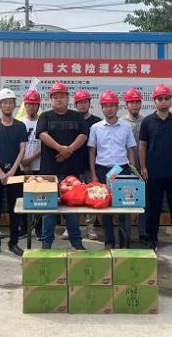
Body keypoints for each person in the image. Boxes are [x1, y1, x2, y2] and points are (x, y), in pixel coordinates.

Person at [139, 84, 172, 256]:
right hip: (154, 173)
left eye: (166, 98)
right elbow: (142, 146)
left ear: (171, 101)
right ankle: (151, 240)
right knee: (153, 209)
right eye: (160, 98)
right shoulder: (147, 122)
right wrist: (143, 167)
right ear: (154, 101)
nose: (163, 101)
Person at [37, 82, 88, 250]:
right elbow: (42, 135)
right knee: (49, 210)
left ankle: (77, 243)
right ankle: (46, 244)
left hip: (71, 173)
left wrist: (69, 150)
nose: (59, 99)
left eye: (62, 96)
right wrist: (60, 149)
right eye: (55, 97)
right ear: (51, 99)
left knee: (72, 211)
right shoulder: (45, 116)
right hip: (49, 173)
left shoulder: (77, 116)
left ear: (68, 98)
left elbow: (83, 135)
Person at [89, 91, 136, 249]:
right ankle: (109, 241)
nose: (108, 109)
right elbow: (92, 151)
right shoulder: (96, 128)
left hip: (122, 170)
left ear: (117, 107)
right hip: (102, 170)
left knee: (124, 208)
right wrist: (93, 174)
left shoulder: (126, 127)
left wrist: (133, 172)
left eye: (111, 105)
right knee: (105, 208)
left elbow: (130, 149)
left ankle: (124, 242)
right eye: (105, 106)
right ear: (102, 108)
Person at [0, 88, 27, 257]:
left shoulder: (20, 126)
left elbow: (22, 149)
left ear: (14, 105)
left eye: (10, 102)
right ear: (0, 105)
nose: (8, 105)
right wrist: (0, 172)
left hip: (15, 172)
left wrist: (12, 171)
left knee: (14, 208)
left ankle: (13, 242)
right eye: (5, 103)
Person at [74, 88, 101, 240]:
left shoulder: (97, 122)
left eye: (85, 102)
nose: (83, 105)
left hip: (92, 166)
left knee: (92, 196)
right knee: (73, 197)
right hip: (74, 166)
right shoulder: (72, 120)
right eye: (80, 102)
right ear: (75, 104)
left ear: (90, 103)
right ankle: (72, 227)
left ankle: (91, 228)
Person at [121, 88, 147, 242]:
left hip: (144, 169)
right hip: (126, 169)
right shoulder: (121, 123)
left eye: (137, 102)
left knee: (144, 202)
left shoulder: (146, 121)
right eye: (132, 102)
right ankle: (126, 235)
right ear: (126, 104)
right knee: (126, 203)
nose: (135, 105)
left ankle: (143, 233)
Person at [20, 89, 42, 238]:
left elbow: (45, 145)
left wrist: (31, 159)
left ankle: (39, 229)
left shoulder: (43, 121)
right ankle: (24, 229)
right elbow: (16, 144)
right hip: (22, 167)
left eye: (34, 104)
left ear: (38, 105)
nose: (31, 107)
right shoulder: (20, 122)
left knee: (40, 198)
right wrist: (24, 162)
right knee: (24, 198)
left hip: (39, 166)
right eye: (28, 104)